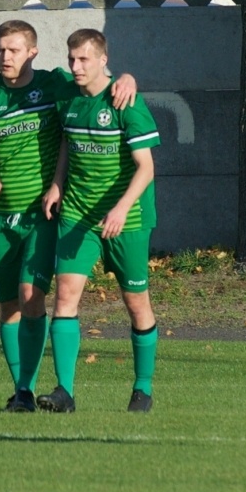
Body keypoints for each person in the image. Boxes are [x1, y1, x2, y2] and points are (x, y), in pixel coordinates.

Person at [0, 19, 137, 413]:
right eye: (0, 49)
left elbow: (95, 78)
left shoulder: (53, 83)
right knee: (7, 304)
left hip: (41, 214)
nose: (5, 56)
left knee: (32, 297)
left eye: (13, 49)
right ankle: (22, 391)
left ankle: (35, 388)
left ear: (32, 52)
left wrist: (126, 76)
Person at [40, 28, 160, 414]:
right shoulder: (68, 96)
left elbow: (146, 168)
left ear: (103, 60)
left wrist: (122, 208)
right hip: (78, 214)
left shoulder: (126, 101)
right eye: (72, 59)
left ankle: (142, 389)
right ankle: (64, 391)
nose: (75, 67)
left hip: (128, 218)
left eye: (84, 60)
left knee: (136, 302)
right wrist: (57, 184)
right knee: (64, 296)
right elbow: (65, 142)